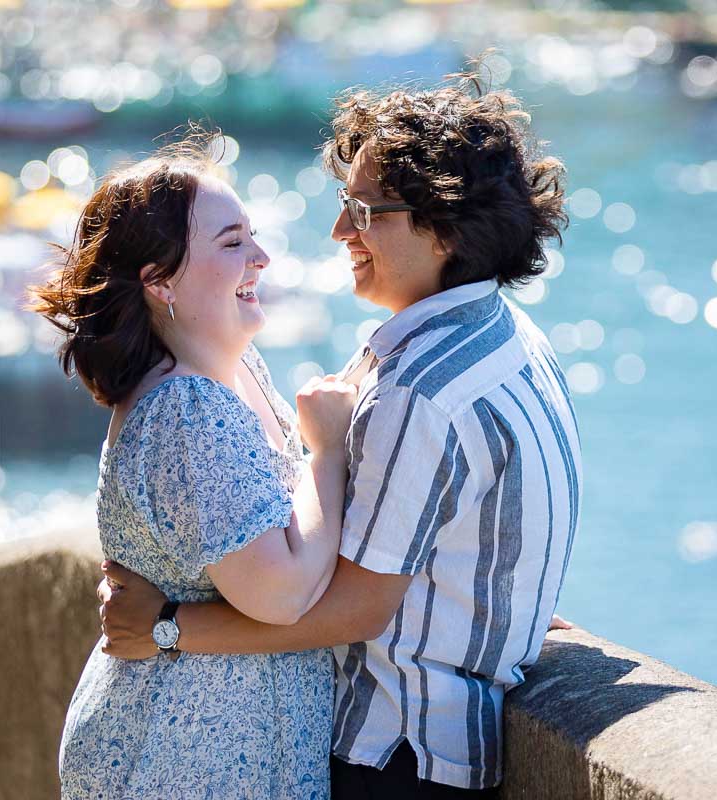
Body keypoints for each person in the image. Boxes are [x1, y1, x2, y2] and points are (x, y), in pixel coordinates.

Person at [98, 75, 580, 797]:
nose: (339, 233)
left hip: (394, 746)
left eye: (364, 211)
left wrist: (165, 628)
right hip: (430, 740)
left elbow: (355, 607)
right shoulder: (507, 338)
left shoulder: (419, 388)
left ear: (444, 227)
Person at [29, 140, 359, 799]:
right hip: (182, 758)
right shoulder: (187, 408)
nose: (261, 259)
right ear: (160, 281)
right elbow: (282, 591)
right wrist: (329, 451)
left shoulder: (236, 372)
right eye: (233, 243)